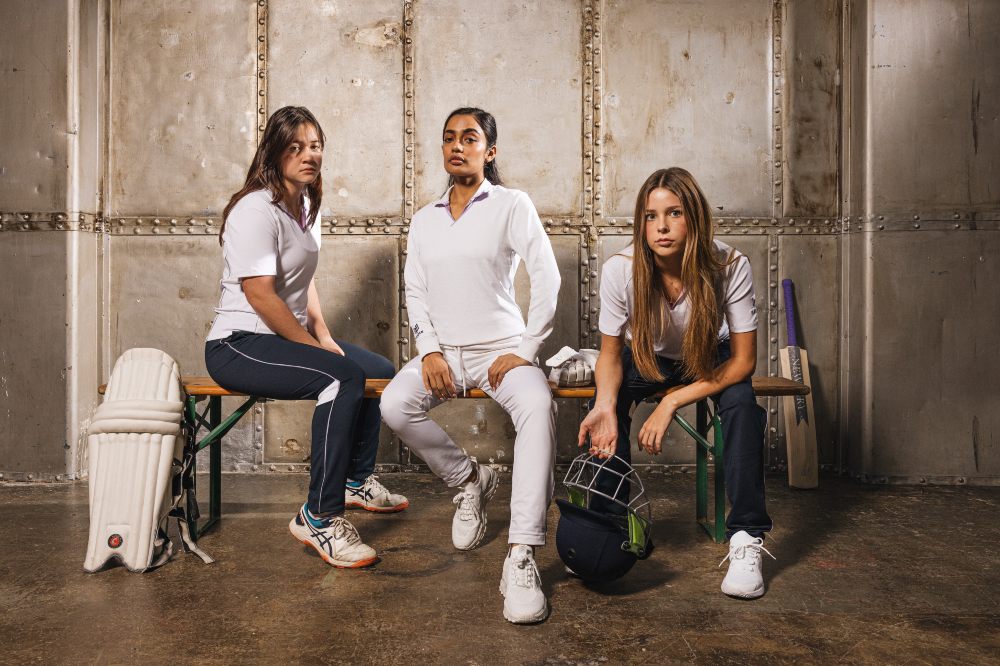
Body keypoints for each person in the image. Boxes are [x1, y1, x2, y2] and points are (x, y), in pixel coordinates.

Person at [204, 106, 407, 569]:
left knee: (378, 371)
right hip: (239, 343)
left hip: (281, 336)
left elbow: (303, 282)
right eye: (295, 147)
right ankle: (318, 515)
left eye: (314, 146)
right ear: (274, 152)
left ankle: (355, 480)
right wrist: (310, 348)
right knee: (340, 379)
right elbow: (260, 293)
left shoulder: (308, 205)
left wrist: (325, 336)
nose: (308, 155)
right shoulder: (255, 209)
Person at [380, 107, 560, 623]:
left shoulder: (510, 205)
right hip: (444, 353)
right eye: (449, 139)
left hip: (499, 350)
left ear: (491, 150)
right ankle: (469, 481)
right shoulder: (425, 218)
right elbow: (415, 289)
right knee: (394, 405)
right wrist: (430, 348)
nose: (458, 146)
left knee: (537, 404)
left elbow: (547, 278)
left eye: (471, 138)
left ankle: (522, 553)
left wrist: (524, 351)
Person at [578, 167, 774, 599]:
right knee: (605, 407)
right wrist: (607, 406)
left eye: (674, 213)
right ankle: (611, 527)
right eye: (650, 216)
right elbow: (610, 356)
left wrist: (671, 403)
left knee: (742, 405)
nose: (661, 226)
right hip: (649, 357)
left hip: (712, 357)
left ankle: (746, 539)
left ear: (695, 218)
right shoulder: (621, 270)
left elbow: (744, 361)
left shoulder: (729, 264)